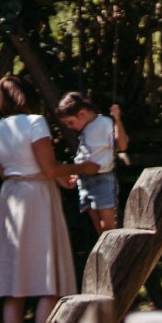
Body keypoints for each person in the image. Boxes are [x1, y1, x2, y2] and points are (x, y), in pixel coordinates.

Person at [0, 76, 78, 323]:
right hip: (37, 197)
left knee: (14, 286)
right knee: (47, 281)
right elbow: (47, 168)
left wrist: (56, 177)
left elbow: (6, 171)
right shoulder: (35, 121)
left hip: (11, 197)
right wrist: (81, 168)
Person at [55, 92, 125, 234]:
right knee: (98, 228)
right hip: (85, 180)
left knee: (108, 227)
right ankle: (105, 252)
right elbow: (87, 154)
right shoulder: (86, 128)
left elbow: (121, 146)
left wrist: (117, 120)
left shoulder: (104, 123)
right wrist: (77, 172)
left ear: (82, 114)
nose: (69, 126)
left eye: (70, 122)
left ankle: (118, 252)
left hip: (102, 179)